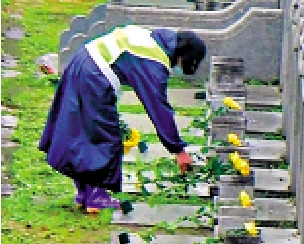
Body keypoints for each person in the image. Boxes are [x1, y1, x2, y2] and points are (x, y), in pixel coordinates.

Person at [40, 26, 206, 212]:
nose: (179, 68)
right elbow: (159, 108)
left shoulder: (154, 39)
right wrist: (178, 149)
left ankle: (85, 194)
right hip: (94, 74)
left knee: (84, 132)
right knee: (104, 137)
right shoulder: (154, 60)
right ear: (184, 56)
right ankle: (96, 196)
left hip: (82, 60)